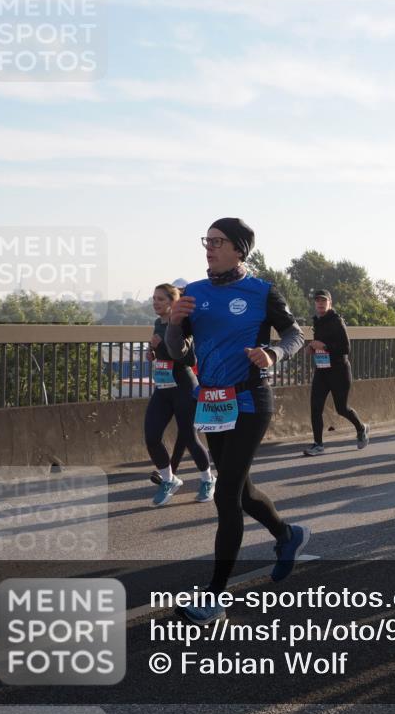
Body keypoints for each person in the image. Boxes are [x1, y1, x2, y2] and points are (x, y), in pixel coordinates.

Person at [167, 218, 310, 625]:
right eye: (206, 241)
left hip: (250, 400)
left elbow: (295, 335)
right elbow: (178, 353)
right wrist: (174, 322)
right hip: (213, 402)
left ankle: (213, 598)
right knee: (241, 490)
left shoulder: (262, 292)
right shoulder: (193, 294)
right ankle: (287, 535)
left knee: (226, 496)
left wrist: (273, 354)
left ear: (239, 248)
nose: (209, 248)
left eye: (218, 242)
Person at [145, 283, 214, 505]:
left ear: (173, 302)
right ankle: (169, 479)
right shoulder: (157, 323)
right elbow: (162, 353)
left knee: (190, 437)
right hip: (164, 388)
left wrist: (162, 346)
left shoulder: (184, 324)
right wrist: (152, 353)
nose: (156, 302)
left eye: (161, 299)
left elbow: (188, 359)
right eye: (154, 298)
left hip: (184, 386)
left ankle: (207, 479)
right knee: (151, 436)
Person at [303, 290, 370, 456]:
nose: (320, 303)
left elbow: (346, 348)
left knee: (341, 408)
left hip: (339, 371)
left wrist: (324, 346)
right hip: (322, 370)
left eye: (323, 301)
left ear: (330, 303)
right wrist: (312, 348)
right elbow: (320, 344)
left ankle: (361, 428)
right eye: (317, 301)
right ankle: (318, 444)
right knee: (315, 407)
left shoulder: (336, 321)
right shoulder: (317, 321)